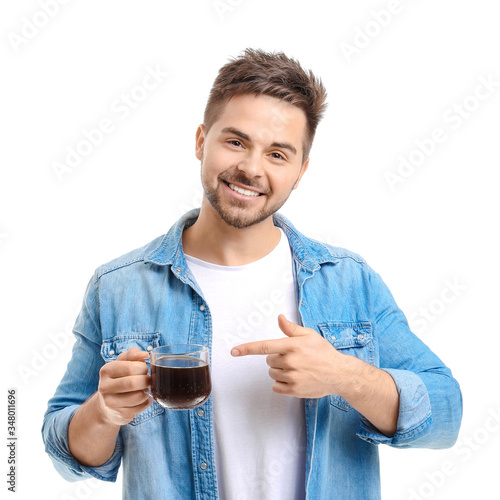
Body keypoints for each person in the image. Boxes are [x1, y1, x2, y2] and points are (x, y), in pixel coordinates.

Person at [42, 48, 462, 500]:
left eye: (278, 154)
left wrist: (347, 377)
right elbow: (63, 449)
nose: (251, 169)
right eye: (236, 142)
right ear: (201, 140)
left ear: (300, 172)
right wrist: (103, 412)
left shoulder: (348, 281)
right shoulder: (118, 288)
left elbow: (446, 415)